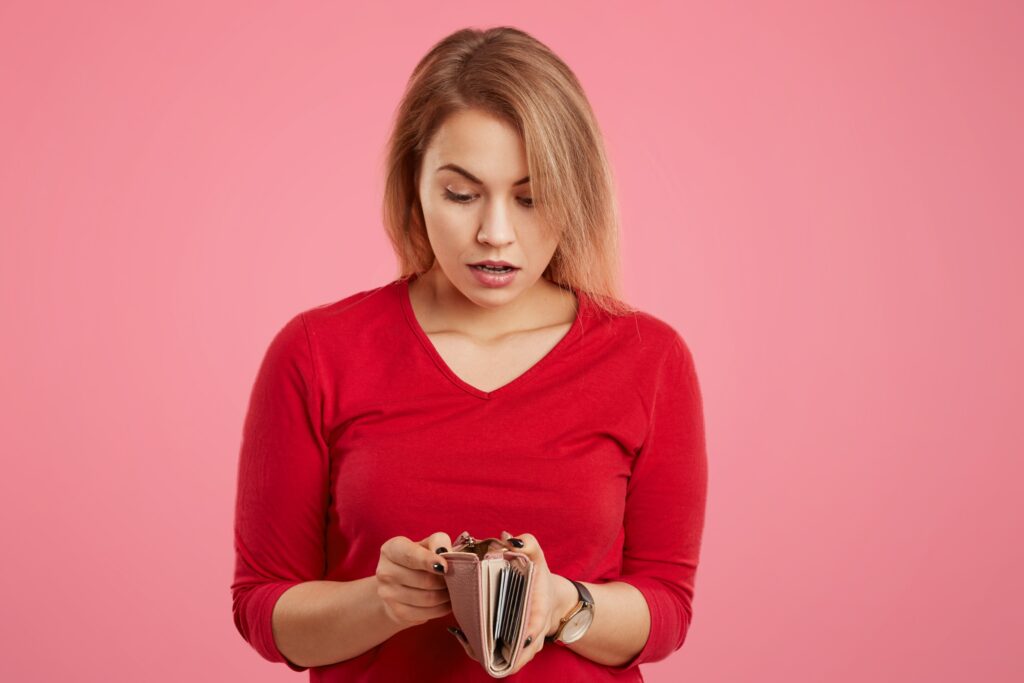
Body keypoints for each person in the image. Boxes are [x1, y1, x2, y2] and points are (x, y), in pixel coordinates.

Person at [231, 26, 708, 682]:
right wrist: (381, 600)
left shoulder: (649, 359)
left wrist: (564, 604)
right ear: (415, 185)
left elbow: (667, 606)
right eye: (461, 194)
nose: (496, 233)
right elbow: (263, 604)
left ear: (576, 193)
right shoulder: (315, 353)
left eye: (531, 197)